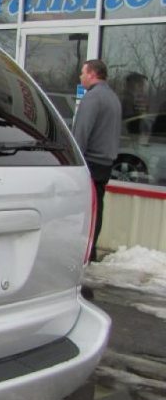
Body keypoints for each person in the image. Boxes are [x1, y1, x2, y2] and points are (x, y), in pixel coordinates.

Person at [72, 59, 122, 263]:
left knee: (87, 208)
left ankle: (85, 251)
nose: (81, 77)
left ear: (92, 74)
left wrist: (74, 160)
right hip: (106, 162)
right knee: (97, 206)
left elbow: (81, 132)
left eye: (83, 73)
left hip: (91, 162)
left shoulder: (93, 98)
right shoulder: (112, 97)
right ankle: (90, 250)